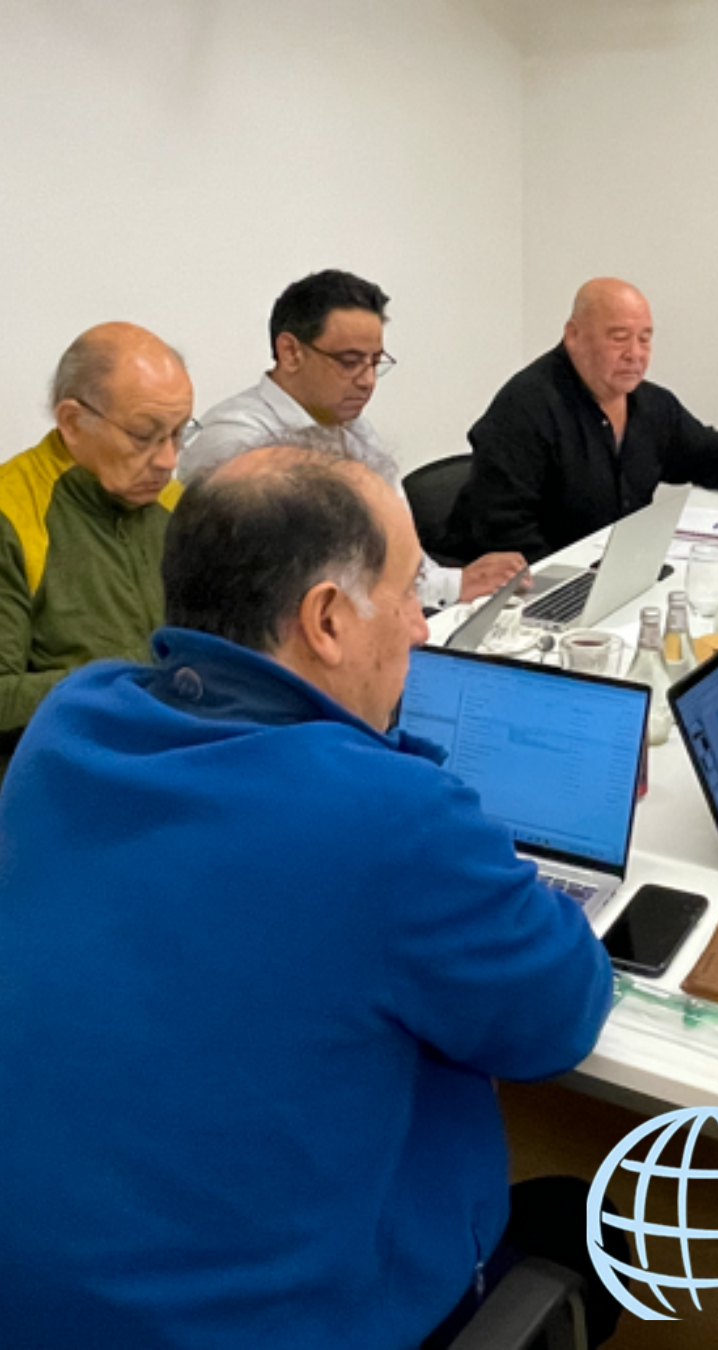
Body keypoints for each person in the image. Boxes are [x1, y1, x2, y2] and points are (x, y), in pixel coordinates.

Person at [0, 443, 621, 1349]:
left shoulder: (68, 723)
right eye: (409, 592)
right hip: (278, 1324)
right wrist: (404, 772)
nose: (418, 628)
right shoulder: (392, 818)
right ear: (326, 620)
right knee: (589, 1215)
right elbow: (562, 1015)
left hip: (45, 1305)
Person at [181, 268, 524, 604]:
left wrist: (456, 582)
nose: (367, 381)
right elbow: (297, 588)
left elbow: (401, 552)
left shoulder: (354, 429)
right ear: (290, 352)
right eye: (349, 362)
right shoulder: (235, 444)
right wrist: (445, 589)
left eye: (375, 362)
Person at [439, 277, 718, 562]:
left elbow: (714, 456)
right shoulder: (525, 407)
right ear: (574, 336)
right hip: (524, 595)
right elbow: (506, 538)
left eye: (645, 340)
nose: (635, 355)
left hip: (614, 575)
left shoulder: (651, 405)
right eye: (619, 339)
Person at [0, 321, 194, 780]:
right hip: (60, 779)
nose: (167, 460)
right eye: (144, 435)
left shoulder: (178, 506)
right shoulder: (12, 514)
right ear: (72, 421)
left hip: (176, 760)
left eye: (179, 433)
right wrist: (133, 677)